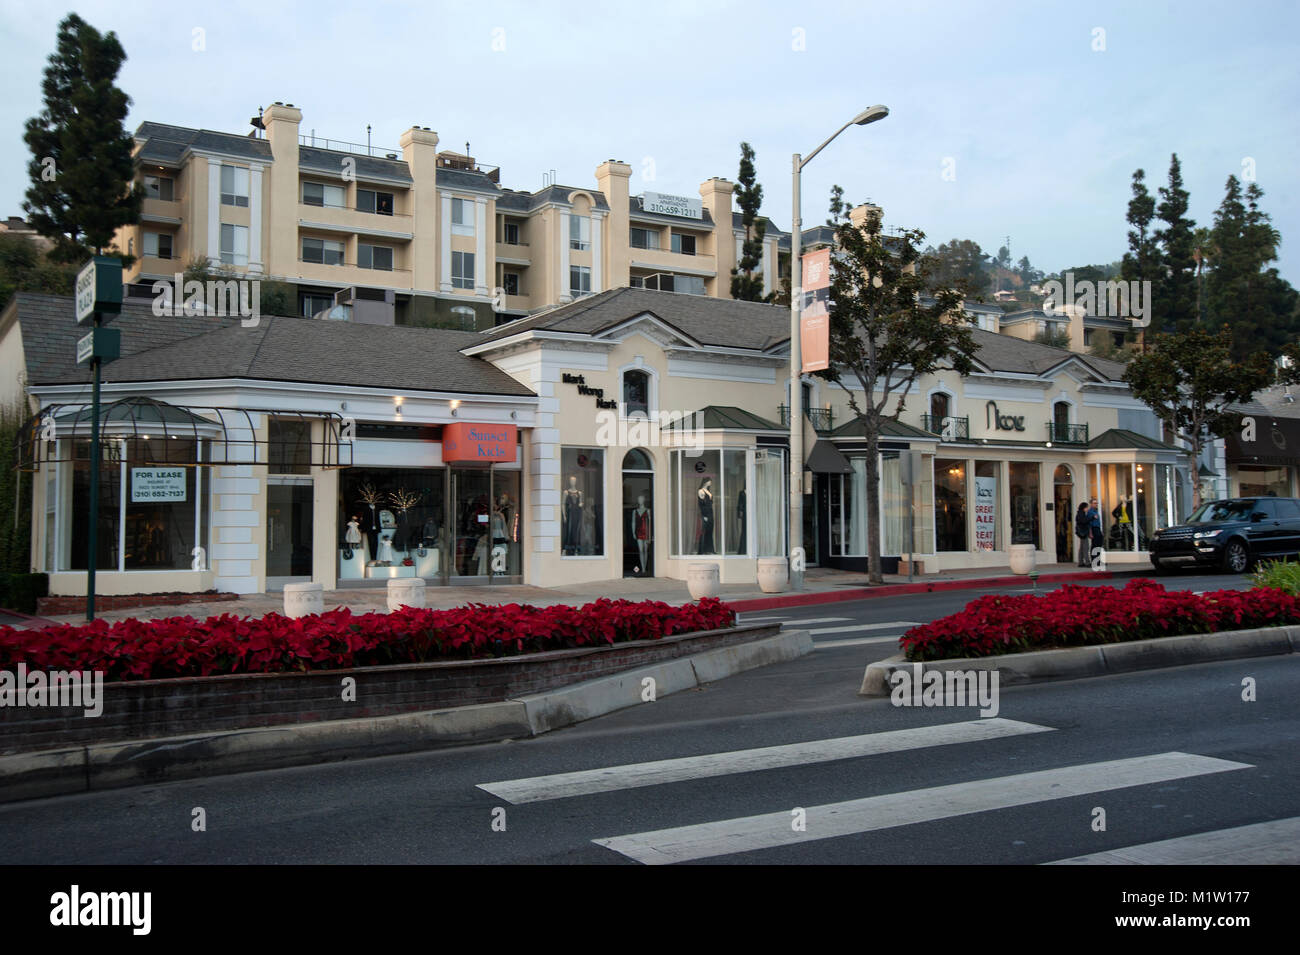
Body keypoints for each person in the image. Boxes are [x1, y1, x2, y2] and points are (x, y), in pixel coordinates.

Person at [1074, 502, 1091, 566]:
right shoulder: (1081, 514)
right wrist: (1091, 518)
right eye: (1086, 507)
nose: (1087, 509)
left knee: (1081, 548)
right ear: (1083, 508)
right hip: (1083, 532)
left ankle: (1080, 562)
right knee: (1086, 547)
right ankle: (1087, 562)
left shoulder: (1080, 513)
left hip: (1081, 532)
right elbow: (1084, 521)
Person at [1087, 497, 1103, 563]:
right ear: (1091, 504)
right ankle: (1094, 560)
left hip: (1098, 529)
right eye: (1094, 503)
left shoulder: (1096, 511)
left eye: (1097, 503)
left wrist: (1101, 531)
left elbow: (1098, 522)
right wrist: (1090, 533)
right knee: (1095, 545)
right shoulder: (1090, 512)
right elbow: (1089, 523)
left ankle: (1098, 560)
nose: (1096, 504)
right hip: (1094, 529)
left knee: (1099, 545)